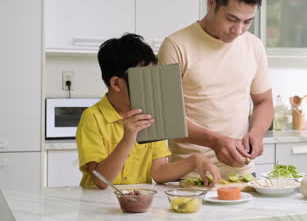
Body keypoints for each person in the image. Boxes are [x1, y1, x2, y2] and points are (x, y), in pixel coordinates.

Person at [157, 0, 273, 178]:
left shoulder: (254, 46)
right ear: (211, 4)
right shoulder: (175, 46)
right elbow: (167, 121)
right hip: (191, 175)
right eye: (232, 19)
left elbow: (263, 101)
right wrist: (215, 141)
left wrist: (257, 133)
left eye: (247, 22)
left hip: (243, 173)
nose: (238, 30)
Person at [76, 33, 220, 189]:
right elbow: (101, 180)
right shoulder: (92, 118)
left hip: (136, 204)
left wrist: (195, 160)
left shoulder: (150, 113)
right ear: (116, 83)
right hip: (97, 206)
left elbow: (158, 172)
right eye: (144, 80)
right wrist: (128, 138)